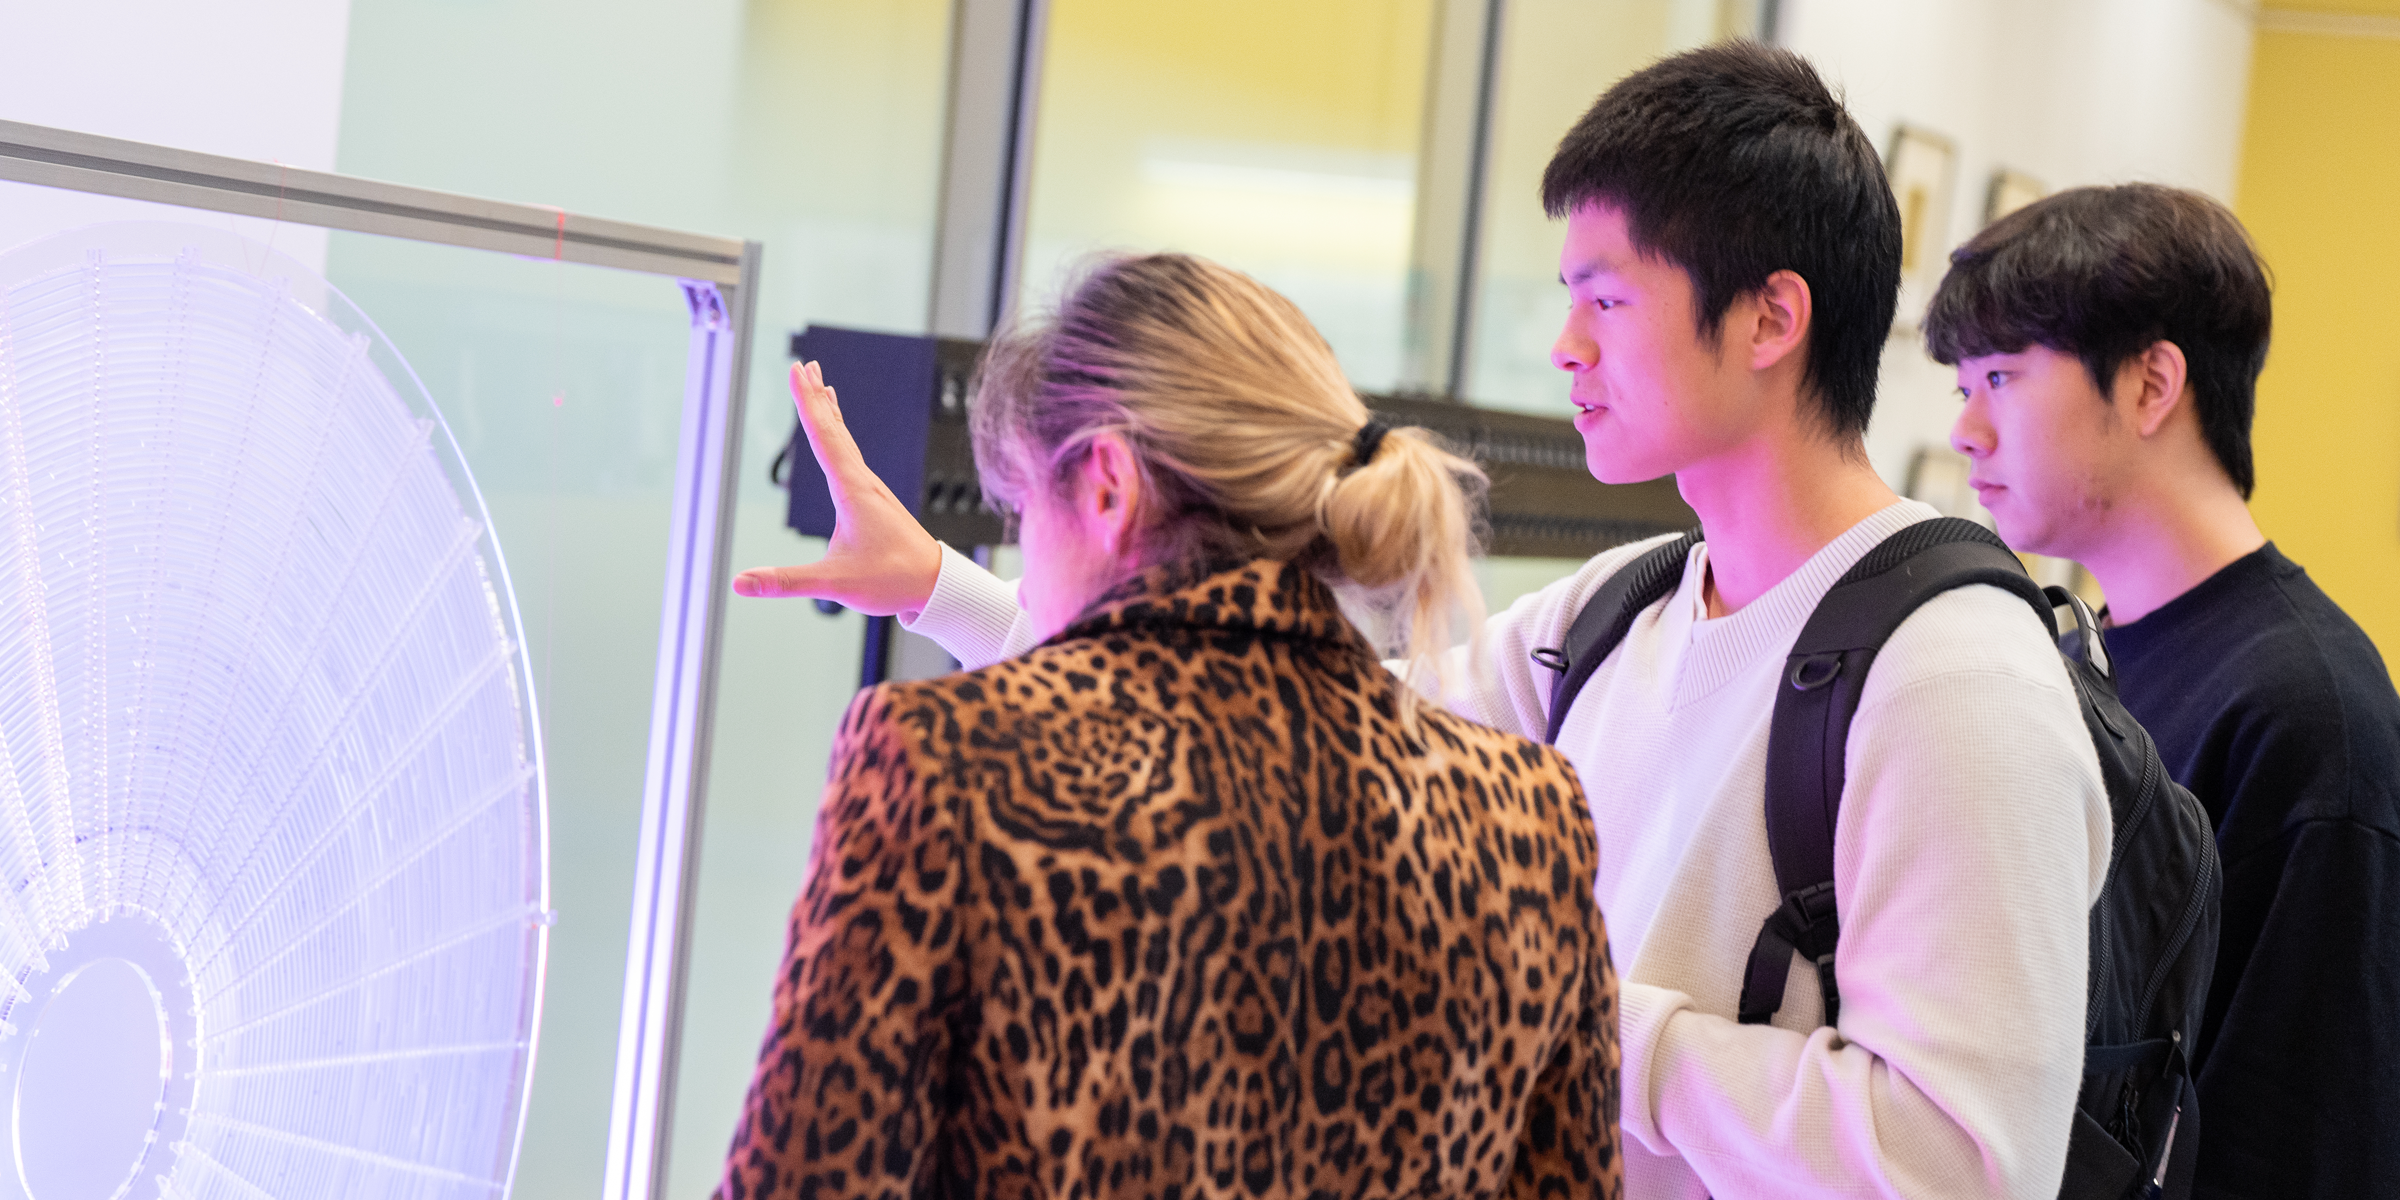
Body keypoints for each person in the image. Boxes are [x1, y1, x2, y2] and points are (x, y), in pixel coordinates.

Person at [757, 43, 2109, 1200]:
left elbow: (1964, 1165)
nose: (1566, 348)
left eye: (1604, 298)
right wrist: (947, 586)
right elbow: (1280, 736)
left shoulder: (1956, 680)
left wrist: (1574, 1012)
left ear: (1770, 318)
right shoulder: (1625, 604)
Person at [718, 253, 1622, 1200]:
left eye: (1024, 508)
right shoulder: (1526, 815)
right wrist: (945, 591)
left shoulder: (940, 764)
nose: (1025, 561)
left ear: (1106, 485)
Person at [1929, 183, 2400, 1199]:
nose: (1966, 429)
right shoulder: (2069, 654)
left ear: (2151, 386)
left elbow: (2305, 1141)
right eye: (1964, 384)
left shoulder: (2305, 715)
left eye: (2002, 377)